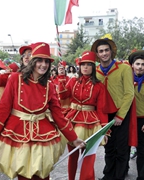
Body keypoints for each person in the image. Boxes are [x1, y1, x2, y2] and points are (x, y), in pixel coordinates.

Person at [0, 42, 84, 180]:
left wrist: (73, 138)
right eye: (39, 60)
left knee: (43, 174)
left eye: (46, 61)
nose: (43, 64)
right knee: (24, 176)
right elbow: (3, 109)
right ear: (32, 61)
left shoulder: (49, 85)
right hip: (18, 135)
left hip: (43, 137)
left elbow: (58, 115)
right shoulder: (15, 79)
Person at [58, 51, 117, 180]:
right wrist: (62, 77)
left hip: (90, 122)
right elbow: (63, 96)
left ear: (93, 67)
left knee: (88, 156)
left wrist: (105, 130)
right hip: (72, 119)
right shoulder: (73, 81)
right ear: (79, 66)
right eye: (82, 64)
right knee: (72, 155)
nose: (85, 67)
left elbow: (102, 109)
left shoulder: (99, 86)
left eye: (88, 64)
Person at [91, 38, 135, 180]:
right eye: (101, 51)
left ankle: (119, 176)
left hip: (121, 113)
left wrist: (120, 116)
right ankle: (108, 175)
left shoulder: (125, 68)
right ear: (97, 54)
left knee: (121, 148)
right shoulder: (95, 71)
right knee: (108, 147)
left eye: (106, 50)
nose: (104, 53)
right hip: (104, 115)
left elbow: (129, 93)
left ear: (111, 51)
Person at [128, 50, 144, 180]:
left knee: (142, 151)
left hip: (142, 121)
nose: (140, 67)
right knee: (123, 148)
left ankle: (141, 176)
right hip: (127, 119)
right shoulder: (127, 80)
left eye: (143, 64)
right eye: (137, 64)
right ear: (132, 65)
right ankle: (121, 172)